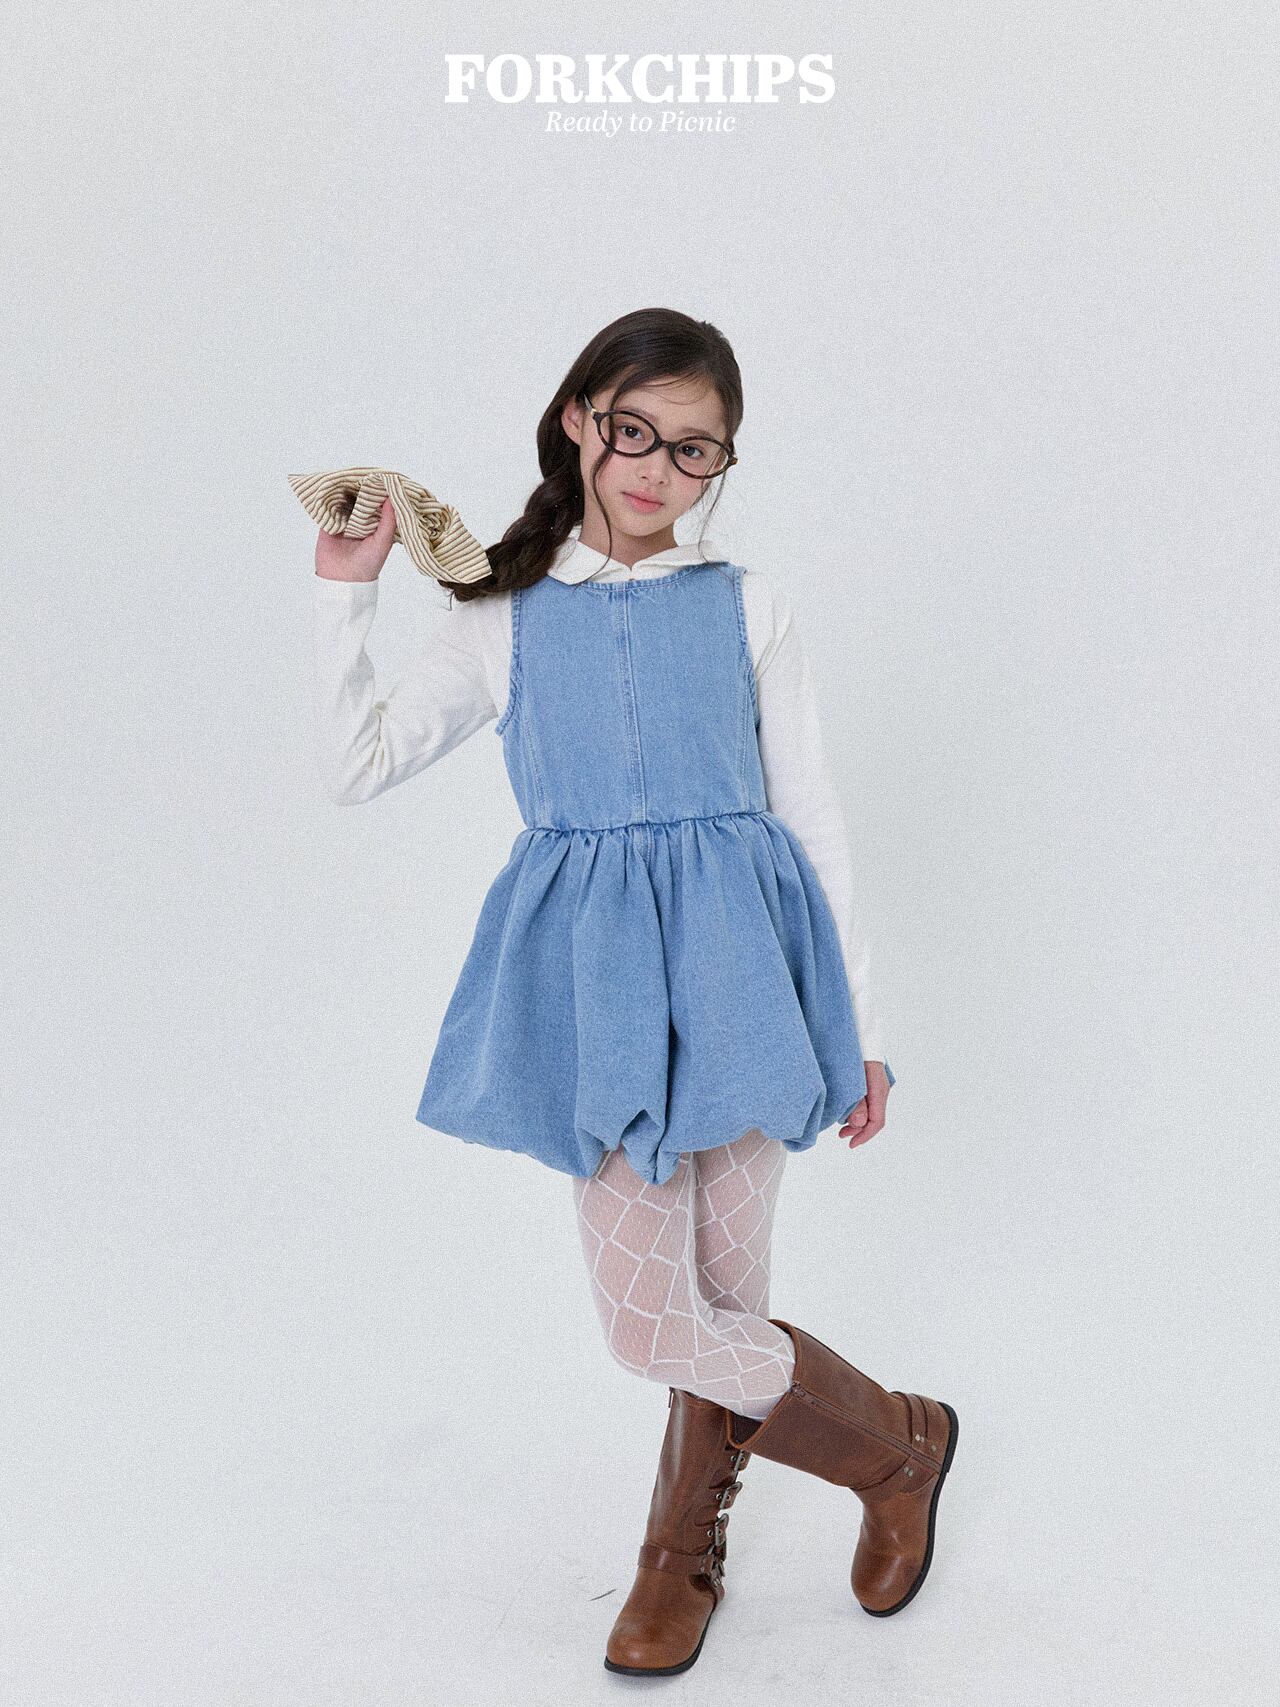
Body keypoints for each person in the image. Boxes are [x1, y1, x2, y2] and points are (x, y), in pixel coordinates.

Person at [308, 307, 958, 1677]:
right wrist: (345, 591)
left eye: (694, 449)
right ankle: (899, 1447)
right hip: (598, 994)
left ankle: (678, 1551)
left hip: (746, 973)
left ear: (724, 463)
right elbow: (356, 765)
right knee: (655, 1325)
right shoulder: (498, 613)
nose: (657, 470)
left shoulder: (748, 603)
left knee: (724, 1296)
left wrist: (862, 1032)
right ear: (576, 421)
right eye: (632, 432)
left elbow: (814, 817)